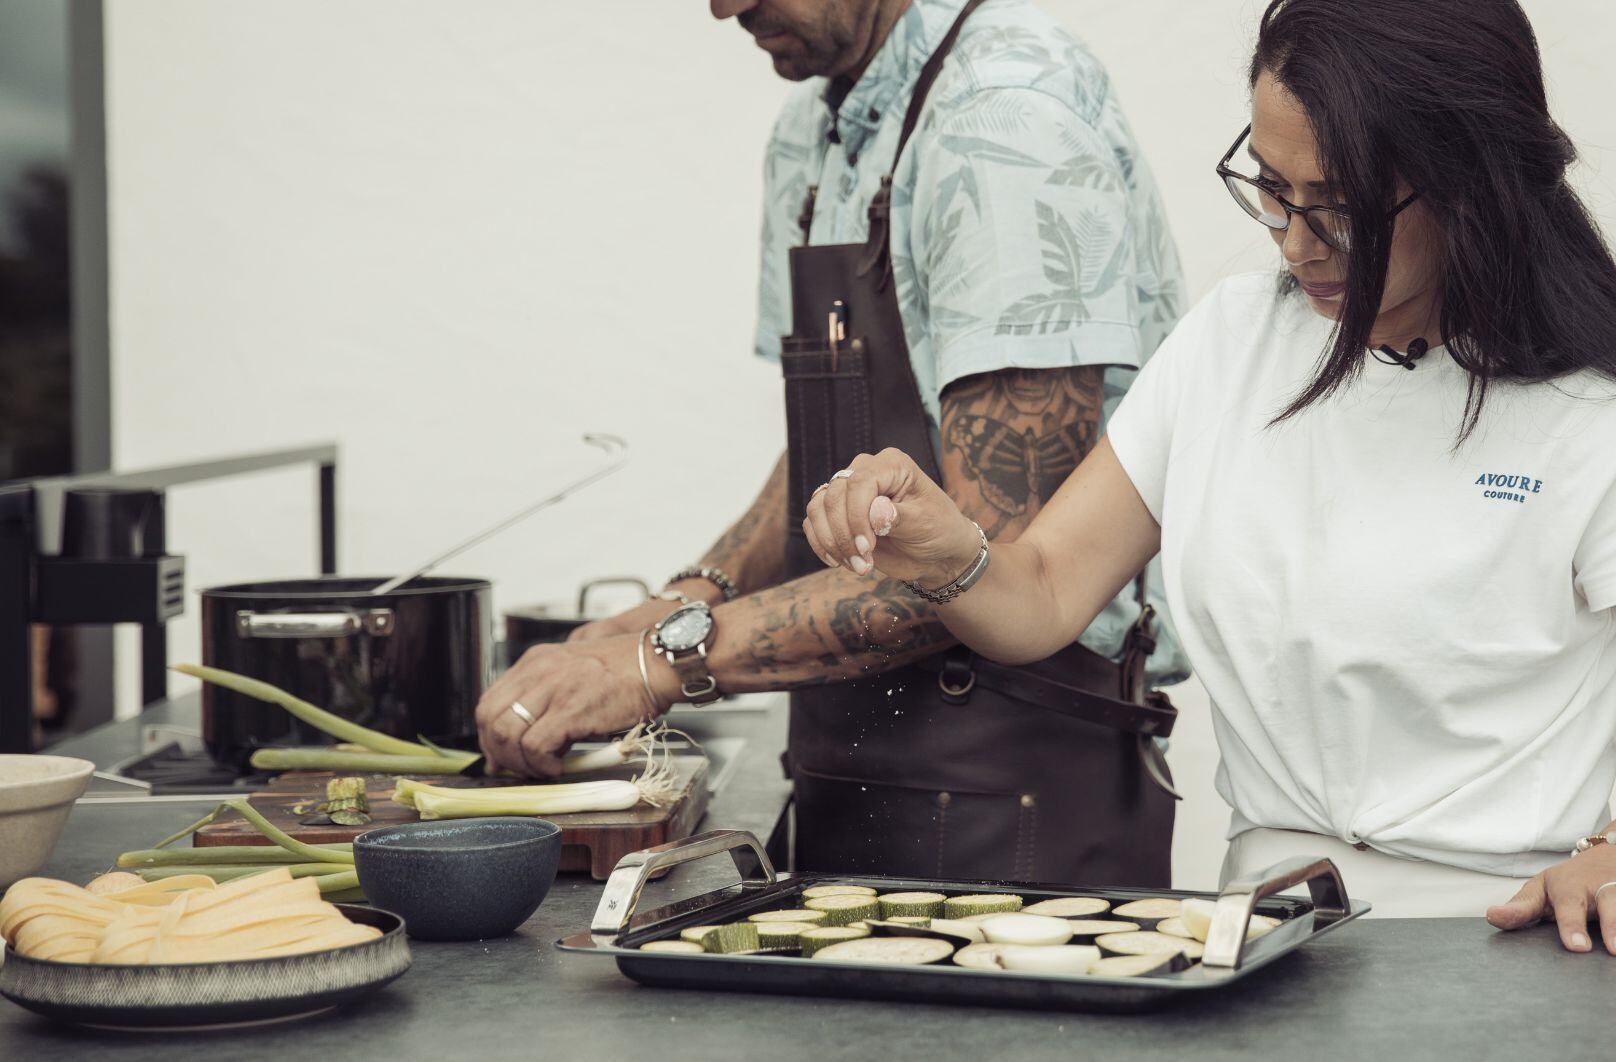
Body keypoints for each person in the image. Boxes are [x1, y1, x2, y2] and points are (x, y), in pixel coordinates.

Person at [803, 0, 1616, 944]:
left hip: (1508, 937)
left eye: (1341, 206)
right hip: (1266, 933)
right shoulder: (1235, 341)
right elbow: (1045, 594)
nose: (1295, 241)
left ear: (1469, 180)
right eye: (1271, 188)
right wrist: (945, 550)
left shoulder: (1588, 408)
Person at [473, 0, 1190, 885]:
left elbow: (997, 559)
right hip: (849, 758)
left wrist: (664, 661)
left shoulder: (1004, 122)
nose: (724, 5)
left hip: (1017, 785)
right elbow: (826, 448)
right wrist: (685, 600)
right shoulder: (811, 133)